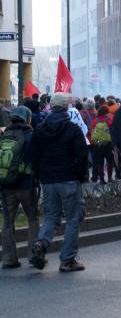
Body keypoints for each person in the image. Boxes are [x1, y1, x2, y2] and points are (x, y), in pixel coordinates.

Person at [30, 93, 90, 272]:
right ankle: (68, 259)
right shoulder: (72, 129)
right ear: (66, 108)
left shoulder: (40, 129)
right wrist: (80, 176)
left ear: (51, 107)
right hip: (69, 178)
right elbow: (82, 155)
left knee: (51, 216)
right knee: (73, 218)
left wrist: (40, 174)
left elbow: (33, 154)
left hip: (48, 180)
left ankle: (41, 243)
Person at [1, 107, 37, 269]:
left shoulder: (4, 135)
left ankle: (9, 259)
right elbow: (34, 159)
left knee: (8, 222)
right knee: (32, 218)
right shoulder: (30, 135)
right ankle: (33, 256)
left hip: (6, 185)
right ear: (27, 118)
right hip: (26, 184)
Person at [89, 105, 115, 184]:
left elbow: (91, 131)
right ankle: (110, 178)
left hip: (98, 144)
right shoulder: (109, 119)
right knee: (110, 161)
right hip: (108, 144)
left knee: (100, 162)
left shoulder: (95, 120)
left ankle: (102, 180)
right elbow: (113, 131)